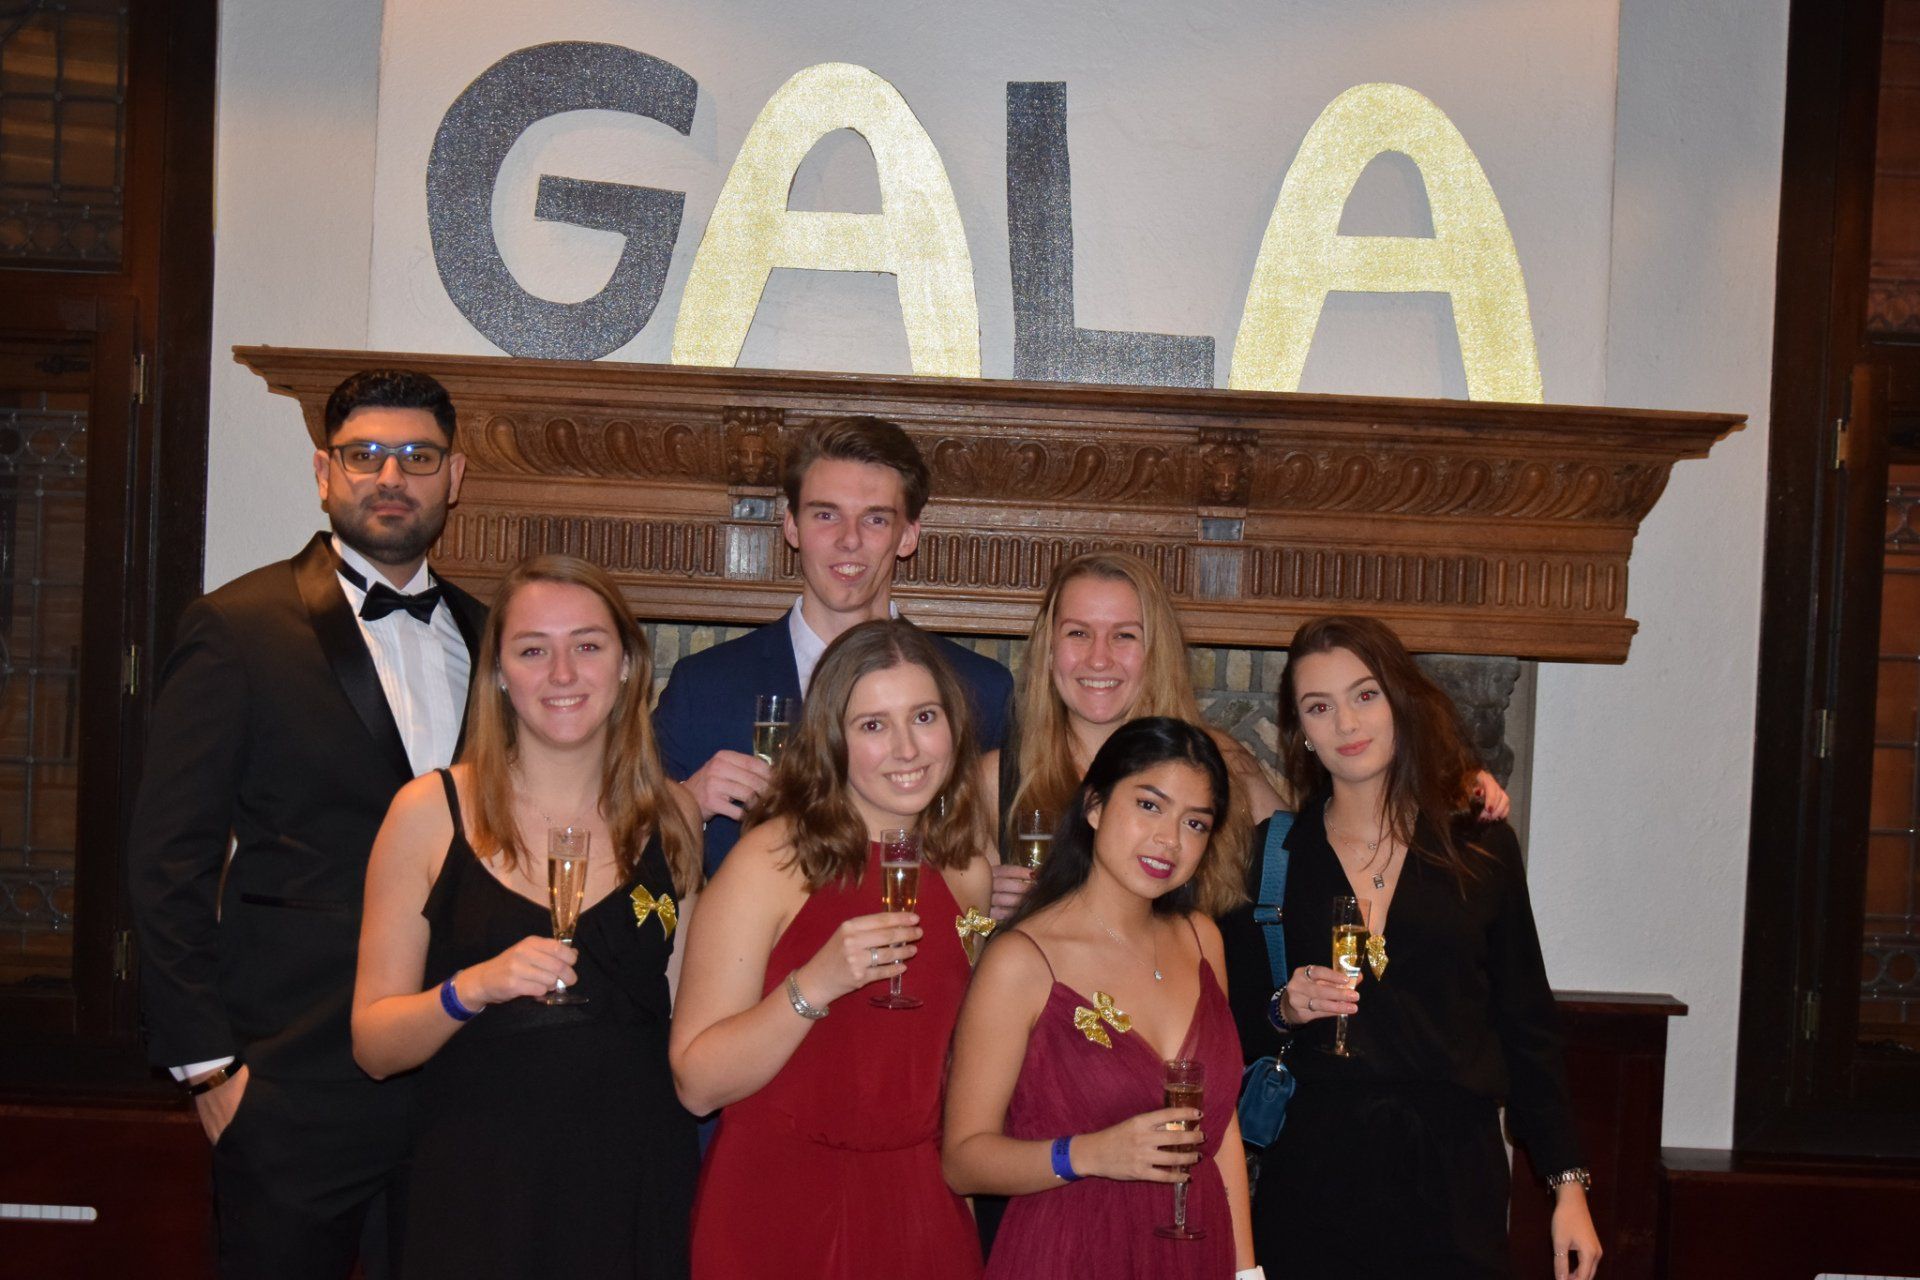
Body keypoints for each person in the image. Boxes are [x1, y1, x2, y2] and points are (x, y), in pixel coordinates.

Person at [126, 369, 484, 1278]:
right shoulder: (236, 628)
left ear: (455, 477)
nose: (391, 476)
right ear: (325, 473)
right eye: (365, 455)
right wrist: (209, 1072)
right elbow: (167, 862)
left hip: (459, 1091)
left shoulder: (493, 639)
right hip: (289, 1091)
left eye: (419, 456)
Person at [1220, 615, 1601, 1280]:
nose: (1346, 723)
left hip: (1454, 1183)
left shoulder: (1478, 846)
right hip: (1316, 1184)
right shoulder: (1273, 859)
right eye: (1319, 707)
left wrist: (1566, 1184)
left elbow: (1528, 1023)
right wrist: (1284, 1008)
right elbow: (1227, 1027)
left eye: (1365, 695)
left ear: (1399, 700)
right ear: (1301, 732)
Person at [352, 555, 702, 1279]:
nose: (563, 673)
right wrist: (471, 989)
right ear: (499, 675)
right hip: (478, 1192)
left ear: (628, 666)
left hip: (632, 1188)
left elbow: (684, 1018)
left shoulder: (674, 816)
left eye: (588, 645)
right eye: (533, 650)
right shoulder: (428, 814)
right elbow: (373, 1047)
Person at [670, 619, 994, 1280]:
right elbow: (697, 1086)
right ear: (833, 741)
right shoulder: (771, 860)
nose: (907, 748)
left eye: (924, 716)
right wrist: (814, 985)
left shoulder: (969, 872)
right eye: (873, 725)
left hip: (918, 1204)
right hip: (776, 1202)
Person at [986, 550, 1508, 916]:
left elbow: (1315, 858)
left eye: (1124, 636)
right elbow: (955, 939)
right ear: (1048, 649)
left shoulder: (1221, 761)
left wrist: (1449, 782)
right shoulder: (994, 778)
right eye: (1078, 633)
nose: (1098, 658)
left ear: (1156, 651)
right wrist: (982, 912)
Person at [943, 716, 1259, 1280]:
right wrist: (1089, 1154)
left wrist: (1246, 1271)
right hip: (1072, 1249)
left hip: (1196, 1247)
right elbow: (963, 1160)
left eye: (1195, 823)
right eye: (1149, 806)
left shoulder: (1201, 939)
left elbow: (1221, 1127)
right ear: (1094, 805)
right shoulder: (1023, 959)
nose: (1170, 840)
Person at [655, 414, 1013, 873]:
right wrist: (687, 806)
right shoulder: (702, 688)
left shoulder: (982, 691)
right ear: (791, 526)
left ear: (907, 536)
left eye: (875, 519)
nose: (849, 540)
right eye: (826, 515)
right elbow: (624, 864)